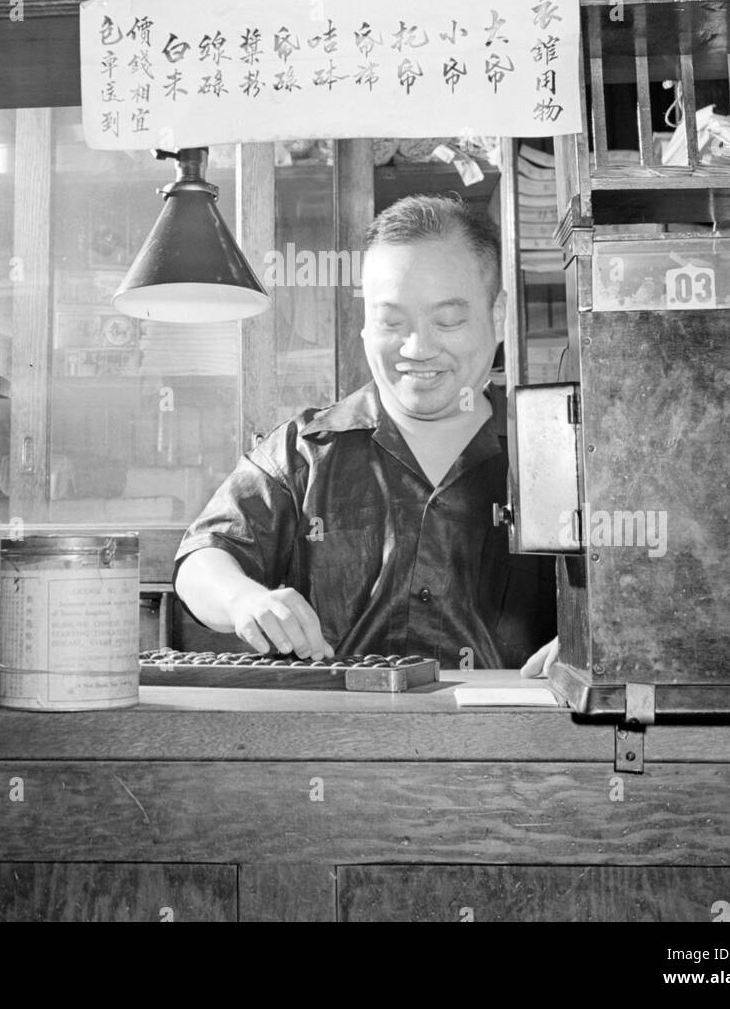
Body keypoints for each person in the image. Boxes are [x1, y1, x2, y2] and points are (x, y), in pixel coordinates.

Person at [174, 194, 559, 676]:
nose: (417, 348)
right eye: (391, 322)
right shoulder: (304, 453)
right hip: (338, 740)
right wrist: (242, 598)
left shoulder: (556, 454)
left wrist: (594, 641)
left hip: (515, 743)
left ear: (497, 315)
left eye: (448, 320)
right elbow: (203, 558)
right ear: (364, 324)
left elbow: (644, 586)